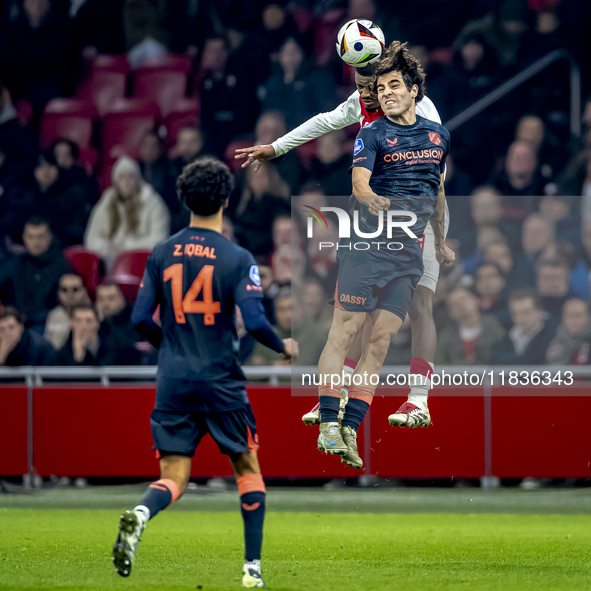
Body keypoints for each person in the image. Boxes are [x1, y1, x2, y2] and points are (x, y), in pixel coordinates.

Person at [235, 43, 451, 439]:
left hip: (418, 218)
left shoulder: (427, 114)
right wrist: (276, 148)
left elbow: (436, 180)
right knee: (362, 312)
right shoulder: (366, 116)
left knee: (420, 303)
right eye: (362, 86)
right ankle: (335, 390)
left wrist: (435, 233)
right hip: (378, 222)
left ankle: (418, 397)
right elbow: (323, 121)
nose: (367, 93)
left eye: (374, 85)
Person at [111, 156, 297, 587]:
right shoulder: (236, 256)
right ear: (227, 200)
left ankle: (141, 513)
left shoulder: (161, 253)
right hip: (220, 379)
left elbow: (139, 319)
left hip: (173, 381)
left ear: (182, 199)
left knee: (173, 474)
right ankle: (251, 570)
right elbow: (253, 322)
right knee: (247, 465)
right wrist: (282, 345)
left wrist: (172, 348)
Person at [84, 156, 170, 266]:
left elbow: (159, 242)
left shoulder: (153, 202)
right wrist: (106, 247)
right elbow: (90, 239)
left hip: (143, 264)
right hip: (109, 263)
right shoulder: (106, 202)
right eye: (122, 177)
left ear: (138, 179)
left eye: (131, 177)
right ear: (115, 181)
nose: (126, 182)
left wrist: (125, 247)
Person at [0, 217, 71, 328]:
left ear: (50, 236)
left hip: (51, 324)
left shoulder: (63, 265)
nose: (36, 242)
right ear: (23, 237)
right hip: (15, 324)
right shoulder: (15, 264)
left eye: (41, 236)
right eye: (31, 236)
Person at [436, 288, 505, 365]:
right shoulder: (446, 336)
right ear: (450, 313)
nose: (460, 305)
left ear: (476, 300)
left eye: (463, 299)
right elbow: (439, 363)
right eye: (454, 304)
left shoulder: (493, 326)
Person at [489, 289, 558, 365]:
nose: (519, 319)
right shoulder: (512, 334)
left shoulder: (554, 332)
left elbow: (531, 361)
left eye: (526, 313)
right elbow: (493, 358)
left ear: (539, 310)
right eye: (514, 314)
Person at [57, 302, 140, 366]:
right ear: (71, 323)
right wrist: (78, 359)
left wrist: (93, 349)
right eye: (78, 321)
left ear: (97, 323)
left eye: (89, 321)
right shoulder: (62, 353)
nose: (84, 326)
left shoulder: (117, 345)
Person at [44, 273, 90, 350]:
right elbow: (53, 347)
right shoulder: (55, 315)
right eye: (64, 290)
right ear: (59, 293)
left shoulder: (94, 312)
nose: (70, 294)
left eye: (75, 289)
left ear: (83, 291)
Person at [546, 298, 591, 365]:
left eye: (578, 315)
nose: (575, 320)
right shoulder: (550, 338)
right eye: (570, 315)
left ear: (588, 317)